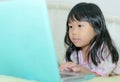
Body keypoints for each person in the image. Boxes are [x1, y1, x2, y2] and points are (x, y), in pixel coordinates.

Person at [59, 2, 120, 77]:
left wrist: (80, 69)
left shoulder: (104, 51)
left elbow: (101, 76)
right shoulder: (73, 52)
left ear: (96, 28)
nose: (73, 32)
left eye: (80, 25)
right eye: (70, 27)